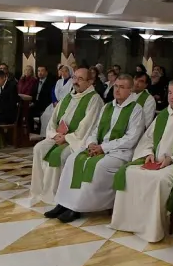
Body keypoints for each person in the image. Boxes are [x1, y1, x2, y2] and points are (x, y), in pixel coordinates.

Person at [110, 78, 173, 242]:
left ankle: (151, 228)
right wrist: (148, 153)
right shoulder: (163, 114)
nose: (171, 97)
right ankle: (129, 222)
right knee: (129, 172)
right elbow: (148, 138)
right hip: (154, 160)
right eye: (170, 93)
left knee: (158, 180)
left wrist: (172, 159)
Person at [46, 74, 144, 222]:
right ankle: (63, 203)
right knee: (72, 159)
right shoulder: (107, 106)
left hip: (119, 152)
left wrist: (103, 147)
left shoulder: (136, 110)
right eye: (116, 86)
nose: (117, 90)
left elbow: (131, 138)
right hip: (98, 147)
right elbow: (95, 129)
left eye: (122, 87)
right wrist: (91, 143)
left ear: (130, 90)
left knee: (97, 166)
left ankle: (77, 208)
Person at [31, 67, 104, 204]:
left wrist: (66, 138)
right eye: (74, 78)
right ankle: (40, 190)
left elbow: (87, 125)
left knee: (59, 155)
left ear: (90, 81)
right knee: (38, 148)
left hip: (77, 140)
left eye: (80, 79)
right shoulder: (68, 97)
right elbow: (53, 120)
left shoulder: (94, 100)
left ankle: (56, 195)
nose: (75, 81)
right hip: (59, 136)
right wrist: (54, 134)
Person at [39, 64, 74, 137]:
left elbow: (71, 94)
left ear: (70, 72)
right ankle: (46, 135)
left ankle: (56, 135)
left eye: (66, 71)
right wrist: (54, 101)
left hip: (65, 105)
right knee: (45, 115)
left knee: (56, 117)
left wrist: (62, 103)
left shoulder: (72, 82)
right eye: (62, 71)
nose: (64, 73)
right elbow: (53, 92)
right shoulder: (59, 81)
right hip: (55, 103)